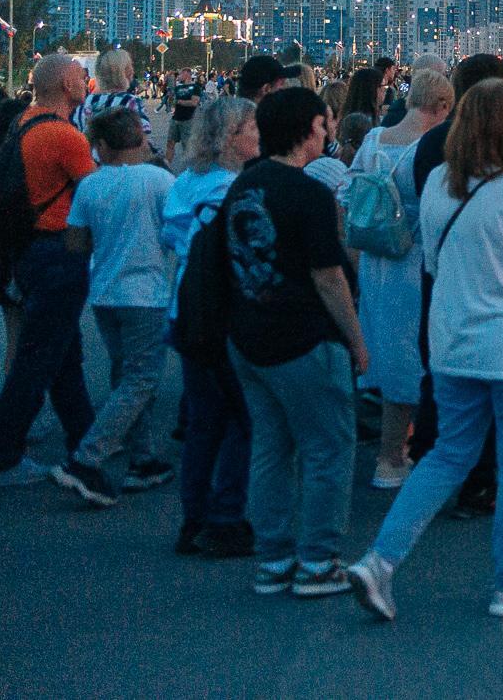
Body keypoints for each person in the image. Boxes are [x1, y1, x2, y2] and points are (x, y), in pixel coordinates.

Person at [348, 78, 503, 623]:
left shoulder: (439, 186)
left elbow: (433, 265)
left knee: (446, 454)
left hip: (453, 343)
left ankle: (380, 560)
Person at [223, 86, 366, 598]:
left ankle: (274, 557)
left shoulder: (244, 186)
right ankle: (318, 560)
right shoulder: (307, 192)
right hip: (303, 338)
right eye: (324, 124)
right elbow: (329, 276)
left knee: (271, 446)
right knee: (328, 447)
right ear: (308, 128)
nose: (327, 132)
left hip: (249, 336)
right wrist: (356, 339)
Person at [49, 109, 176, 507]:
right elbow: (175, 230)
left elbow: (75, 242)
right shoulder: (158, 181)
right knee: (142, 378)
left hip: (104, 291)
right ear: (140, 138)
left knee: (126, 374)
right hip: (146, 293)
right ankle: (88, 458)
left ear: (99, 146)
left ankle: (144, 458)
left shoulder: (90, 186)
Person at [161, 94, 258, 556]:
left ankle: (193, 517)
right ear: (231, 139)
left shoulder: (185, 183)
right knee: (242, 418)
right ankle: (226, 516)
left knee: (203, 421)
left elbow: (172, 238)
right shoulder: (232, 189)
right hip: (223, 313)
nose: (259, 137)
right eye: (252, 130)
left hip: (186, 306)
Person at [349, 68, 453, 489]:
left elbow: (348, 197)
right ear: (442, 107)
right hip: (413, 262)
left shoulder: (373, 141)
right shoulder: (425, 150)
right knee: (412, 356)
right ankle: (391, 459)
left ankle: (396, 448)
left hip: (375, 263)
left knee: (385, 350)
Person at [0, 54, 98, 488]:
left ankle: (86, 443)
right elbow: (94, 194)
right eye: (80, 76)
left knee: (63, 355)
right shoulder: (64, 135)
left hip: (31, 251)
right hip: (58, 251)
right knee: (38, 359)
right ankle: (5, 453)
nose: (86, 81)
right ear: (63, 84)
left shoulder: (24, 122)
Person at [72, 48, 151, 149]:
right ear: (125, 72)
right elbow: (142, 143)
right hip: (120, 161)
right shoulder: (130, 102)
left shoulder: (84, 103)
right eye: (130, 65)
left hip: (87, 161)